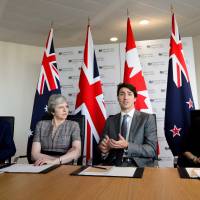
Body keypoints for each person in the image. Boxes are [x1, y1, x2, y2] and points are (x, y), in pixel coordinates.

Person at [98, 83, 157, 167]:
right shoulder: (110, 121)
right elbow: (101, 146)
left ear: (135, 98)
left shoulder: (147, 119)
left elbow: (151, 150)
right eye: (122, 94)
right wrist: (104, 149)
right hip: (114, 166)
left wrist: (127, 145)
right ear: (118, 98)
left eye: (129, 94)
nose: (125, 98)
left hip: (138, 166)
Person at [31, 94, 81, 166]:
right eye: (61, 107)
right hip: (43, 164)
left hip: (64, 166)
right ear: (52, 111)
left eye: (66, 106)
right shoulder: (41, 125)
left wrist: (55, 162)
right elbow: (34, 154)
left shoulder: (73, 125)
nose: (65, 110)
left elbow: (77, 151)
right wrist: (60, 159)